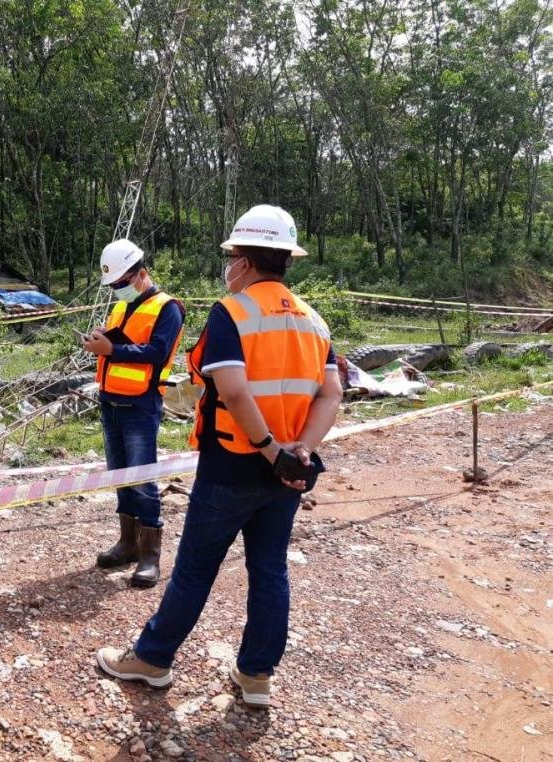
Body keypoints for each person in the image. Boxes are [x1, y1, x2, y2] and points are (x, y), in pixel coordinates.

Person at [95, 204, 343, 707]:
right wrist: (300, 453)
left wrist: (270, 449)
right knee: (270, 569)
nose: (228, 267)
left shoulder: (233, 312)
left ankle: (153, 659)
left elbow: (231, 388)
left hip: (233, 461)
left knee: (195, 567)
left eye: (231, 257)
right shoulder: (314, 322)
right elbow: (331, 392)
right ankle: (256, 677)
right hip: (286, 472)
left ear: (246, 263)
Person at [83, 239, 185, 588]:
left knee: (142, 480)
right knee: (120, 476)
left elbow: (157, 352)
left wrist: (112, 348)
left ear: (141, 274)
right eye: (112, 287)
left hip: (141, 405)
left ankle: (149, 555)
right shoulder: (121, 308)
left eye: (121, 284)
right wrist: (101, 339)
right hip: (111, 401)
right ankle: (127, 543)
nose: (117, 291)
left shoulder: (167, 308)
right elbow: (121, 343)